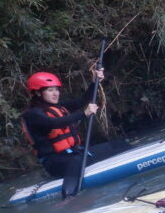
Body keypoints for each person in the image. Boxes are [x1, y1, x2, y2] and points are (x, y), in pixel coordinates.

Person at [22, 67, 130, 199]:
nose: (55, 93)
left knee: (119, 144)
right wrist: (84, 113)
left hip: (75, 154)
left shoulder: (58, 107)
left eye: (56, 89)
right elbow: (55, 123)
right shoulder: (33, 114)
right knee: (76, 160)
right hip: (55, 162)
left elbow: (82, 101)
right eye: (50, 90)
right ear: (38, 93)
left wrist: (95, 82)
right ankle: (69, 197)